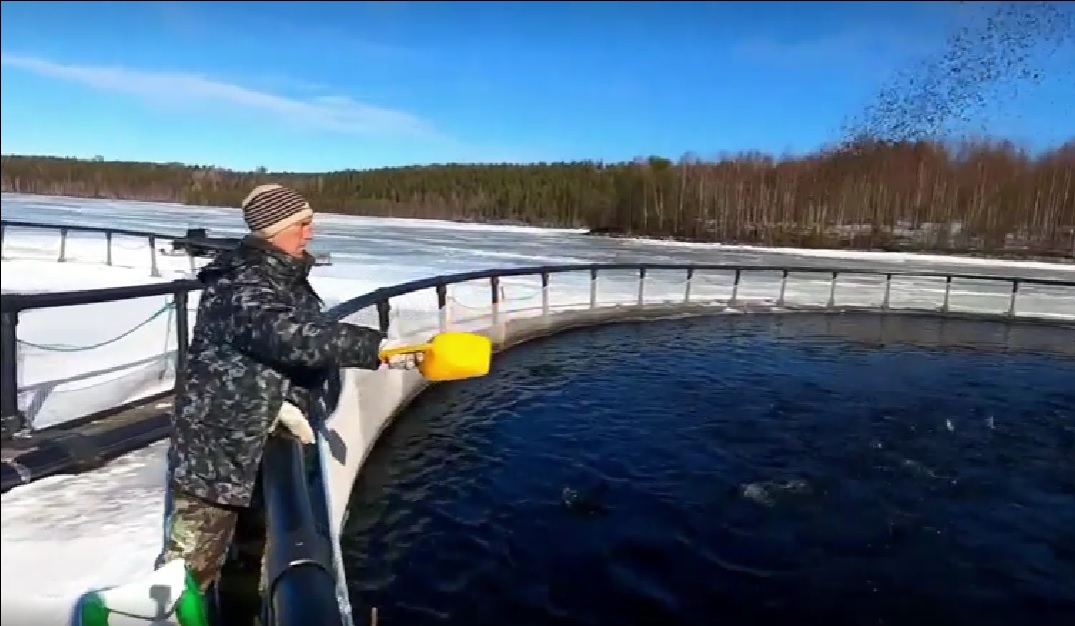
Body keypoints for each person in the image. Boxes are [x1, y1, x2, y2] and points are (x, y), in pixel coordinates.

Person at [156, 184, 420, 617]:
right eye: (302, 224)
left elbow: (286, 349)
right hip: (216, 455)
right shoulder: (240, 285)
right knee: (185, 576)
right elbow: (291, 336)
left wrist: (287, 399)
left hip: (258, 444)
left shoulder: (286, 278)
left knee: (250, 559)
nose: (310, 232)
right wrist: (377, 348)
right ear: (273, 230)